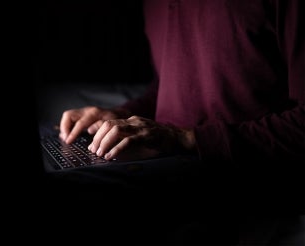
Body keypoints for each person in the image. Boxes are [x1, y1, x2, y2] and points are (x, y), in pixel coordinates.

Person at [52, 0, 305, 245]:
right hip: (166, 170)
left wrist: (183, 138)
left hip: (250, 183)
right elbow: (169, 87)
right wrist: (120, 112)